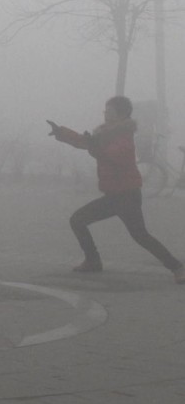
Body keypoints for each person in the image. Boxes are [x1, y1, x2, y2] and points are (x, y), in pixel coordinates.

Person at [48, 95, 184, 283]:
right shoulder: (105, 133)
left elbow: (114, 155)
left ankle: (177, 268)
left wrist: (94, 146)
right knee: (80, 221)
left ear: (122, 114)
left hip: (126, 196)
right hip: (115, 195)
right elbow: (86, 142)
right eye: (105, 110)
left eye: (109, 111)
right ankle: (93, 261)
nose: (105, 114)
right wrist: (61, 132)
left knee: (139, 235)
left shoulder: (123, 135)